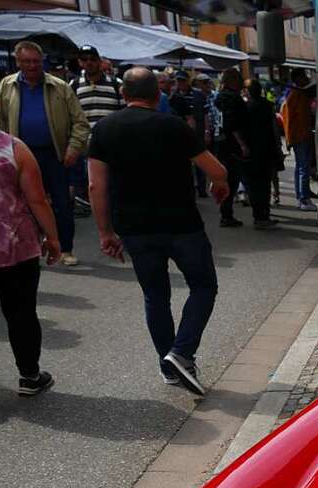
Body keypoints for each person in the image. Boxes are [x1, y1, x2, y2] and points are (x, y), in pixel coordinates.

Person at [88, 67, 229, 396]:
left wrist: (105, 232)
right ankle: (182, 351)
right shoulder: (173, 125)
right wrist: (219, 182)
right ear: (157, 95)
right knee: (203, 286)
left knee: (156, 296)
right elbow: (217, 169)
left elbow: (96, 185)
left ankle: (169, 366)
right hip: (182, 224)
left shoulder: (105, 129)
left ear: (123, 95)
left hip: (134, 229)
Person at [0, 72, 61, 407]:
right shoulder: (13, 147)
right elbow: (37, 200)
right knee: (21, 312)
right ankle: (29, 375)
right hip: (14, 247)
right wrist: (53, 238)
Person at [0, 40, 89, 267]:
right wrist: (3, 151)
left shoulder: (60, 86)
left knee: (61, 204)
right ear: (18, 62)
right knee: (25, 204)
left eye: (36, 61)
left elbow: (80, 123)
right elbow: (0, 121)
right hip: (20, 155)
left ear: (42, 61)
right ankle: (32, 248)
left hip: (55, 154)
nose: (32, 66)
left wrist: (73, 148)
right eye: (26, 61)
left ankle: (66, 249)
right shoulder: (6, 86)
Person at [70, 45, 122, 214]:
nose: (89, 63)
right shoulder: (74, 85)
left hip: (112, 144)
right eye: (85, 60)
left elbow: (124, 114)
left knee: (113, 183)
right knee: (93, 184)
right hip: (86, 146)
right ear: (80, 62)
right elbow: (71, 115)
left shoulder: (116, 84)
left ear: (99, 61)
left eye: (93, 59)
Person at [212, 67, 251, 228]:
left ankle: (225, 212)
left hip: (220, 142)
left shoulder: (218, 98)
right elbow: (233, 124)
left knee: (225, 178)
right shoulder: (234, 100)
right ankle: (226, 215)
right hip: (232, 145)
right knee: (232, 179)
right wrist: (243, 145)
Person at [243, 78, 279, 229]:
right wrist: (278, 147)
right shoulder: (268, 106)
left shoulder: (246, 107)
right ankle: (264, 215)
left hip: (251, 151)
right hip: (267, 149)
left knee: (253, 185)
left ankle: (258, 216)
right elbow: (274, 129)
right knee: (265, 184)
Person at [280, 68, 316, 211]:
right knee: (303, 168)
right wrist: (289, 140)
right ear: (298, 79)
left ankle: (301, 196)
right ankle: (303, 199)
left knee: (301, 167)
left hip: (302, 135)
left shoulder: (299, 94)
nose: (307, 79)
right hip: (300, 137)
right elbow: (288, 121)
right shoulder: (296, 96)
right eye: (304, 76)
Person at [169, 70, 208, 198]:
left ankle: (202, 189)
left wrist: (207, 131)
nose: (180, 83)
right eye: (178, 81)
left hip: (197, 132)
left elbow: (206, 114)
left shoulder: (198, 95)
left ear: (187, 81)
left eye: (182, 80)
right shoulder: (173, 96)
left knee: (200, 162)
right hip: (179, 134)